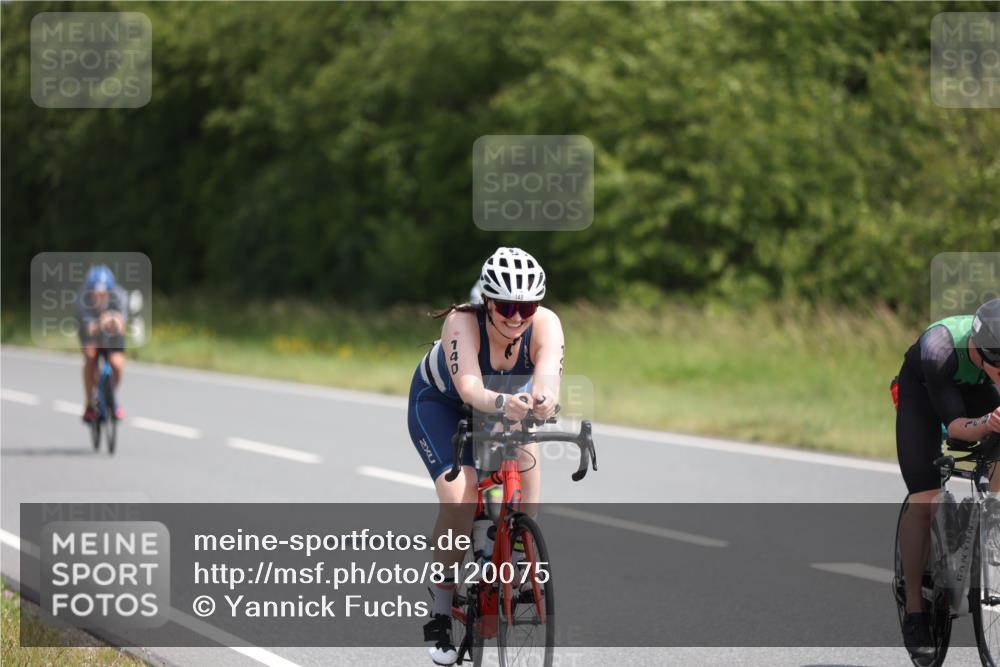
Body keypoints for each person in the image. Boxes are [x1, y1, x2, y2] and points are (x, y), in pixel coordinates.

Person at [408, 247, 564, 665]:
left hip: (503, 404)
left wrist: (544, 401)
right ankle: (440, 609)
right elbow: (471, 391)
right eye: (507, 306)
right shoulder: (463, 323)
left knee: (528, 480)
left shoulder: (545, 323)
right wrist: (502, 404)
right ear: (488, 302)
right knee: (462, 496)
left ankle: (510, 554)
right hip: (442, 404)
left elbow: (548, 378)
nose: (517, 317)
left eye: (527, 306)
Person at [894, 298, 1000, 658]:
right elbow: (955, 427)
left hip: (975, 388)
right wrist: (986, 423)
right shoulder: (940, 349)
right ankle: (914, 610)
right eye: (999, 364)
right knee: (925, 498)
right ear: (978, 349)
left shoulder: (993, 363)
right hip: (925, 392)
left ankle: (991, 523)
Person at [76, 265, 128, 422]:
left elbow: (122, 324)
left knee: (117, 363)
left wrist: (115, 321)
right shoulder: (81, 300)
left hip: (113, 333)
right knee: (91, 356)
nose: (100, 297)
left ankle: (112, 398)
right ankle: (89, 404)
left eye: (104, 294)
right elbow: (89, 328)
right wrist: (100, 322)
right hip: (90, 330)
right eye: (96, 294)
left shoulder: (120, 295)